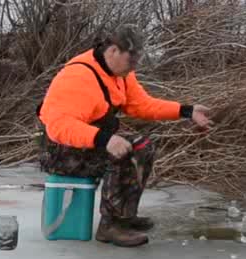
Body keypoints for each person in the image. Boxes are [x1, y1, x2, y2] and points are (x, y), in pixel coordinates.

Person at [36, 24, 212, 247]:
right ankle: (110, 226)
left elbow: (141, 105)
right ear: (113, 51)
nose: (133, 68)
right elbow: (59, 126)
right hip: (60, 151)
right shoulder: (79, 77)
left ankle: (124, 216)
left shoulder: (120, 74)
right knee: (131, 151)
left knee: (142, 146)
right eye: (131, 61)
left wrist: (186, 111)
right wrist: (105, 139)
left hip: (84, 145)